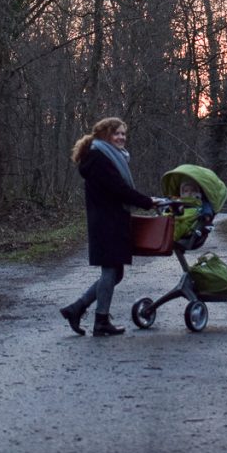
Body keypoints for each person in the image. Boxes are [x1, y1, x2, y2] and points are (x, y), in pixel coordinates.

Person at [60, 117, 160, 337]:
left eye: (124, 134)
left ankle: (76, 309)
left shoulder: (107, 156)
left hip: (111, 219)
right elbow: (119, 189)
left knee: (116, 273)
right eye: (117, 133)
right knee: (110, 271)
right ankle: (100, 321)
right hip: (106, 222)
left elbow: (119, 188)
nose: (121, 137)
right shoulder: (99, 158)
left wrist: (145, 201)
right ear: (104, 135)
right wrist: (147, 202)